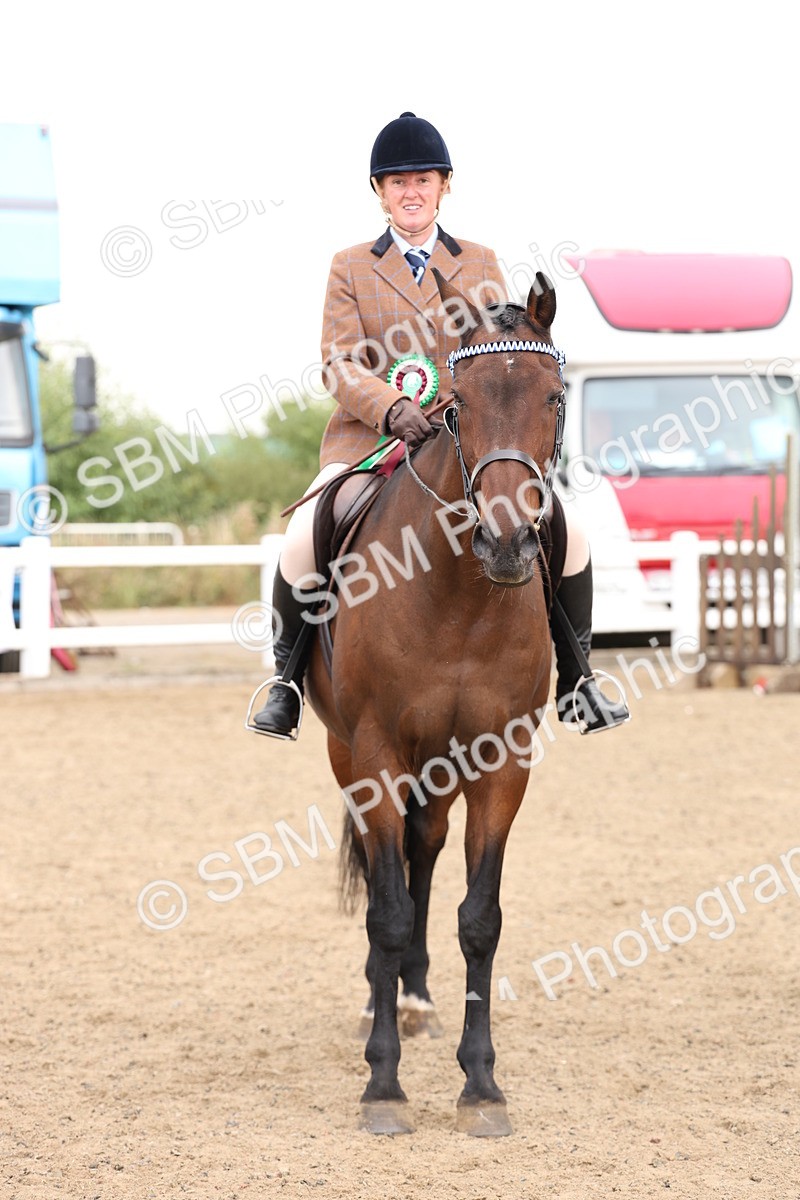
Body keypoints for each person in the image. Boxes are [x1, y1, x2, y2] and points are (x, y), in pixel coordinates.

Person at [252, 113, 630, 738]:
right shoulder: (350, 266)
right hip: (369, 440)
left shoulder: (480, 262)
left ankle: (577, 678)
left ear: (444, 185)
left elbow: (501, 357)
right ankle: (286, 683)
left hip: (465, 442)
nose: (410, 191)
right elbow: (339, 362)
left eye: (421, 179)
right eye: (396, 181)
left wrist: (464, 410)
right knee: (301, 535)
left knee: (572, 530)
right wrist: (390, 409)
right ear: (379, 192)